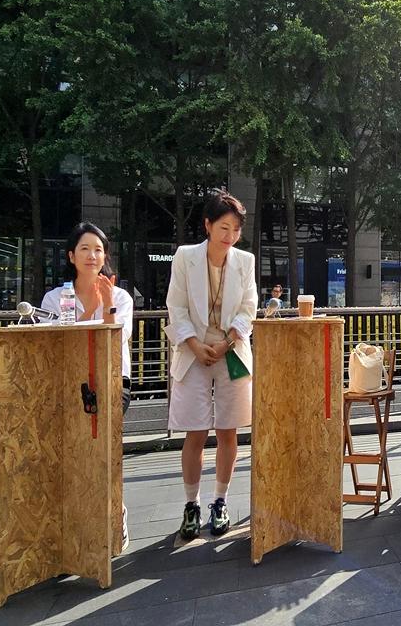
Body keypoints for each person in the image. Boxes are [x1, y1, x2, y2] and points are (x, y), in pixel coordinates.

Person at [165, 190, 257, 540]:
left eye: (235, 229)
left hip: (230, 350)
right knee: (195, 430)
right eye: (223, 227)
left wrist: (227, 341)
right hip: (193, 350)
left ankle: (220, 501)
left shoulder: (244, 262)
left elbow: (248, 308)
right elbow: (176, 307)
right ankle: (191, 504)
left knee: (229, 429)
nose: (229, 236)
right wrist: (193, 343)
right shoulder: (185, 257)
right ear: (207, 225)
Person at [41, 221, 135, 548]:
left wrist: (105, 306)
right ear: (71, 256)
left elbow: (117, 338)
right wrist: (92, 308)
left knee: (104, 451)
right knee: (73, 453)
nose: (92, 255)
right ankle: (76, 524)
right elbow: (56, 344)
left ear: (105, 255)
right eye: (85, 249)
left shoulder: (120, 296)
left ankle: (114, 512)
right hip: (71, 383)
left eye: (98, 249)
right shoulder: (55, 298)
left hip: (112, 381)